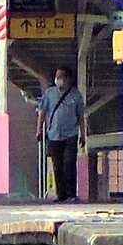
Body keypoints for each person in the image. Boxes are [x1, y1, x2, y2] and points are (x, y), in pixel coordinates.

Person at [36, 66, 86, 202]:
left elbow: (81, 116)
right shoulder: (49, 94)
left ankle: (71, 194)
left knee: (69, 163)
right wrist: (39, 130)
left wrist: (83, 134)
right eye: (57, 77)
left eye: (61, 77)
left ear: (68, 78)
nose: (58, 80)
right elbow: (42, 112)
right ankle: (61, 194)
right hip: (53, 134)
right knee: (57, 165)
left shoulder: (76, 95)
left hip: (71, 134)